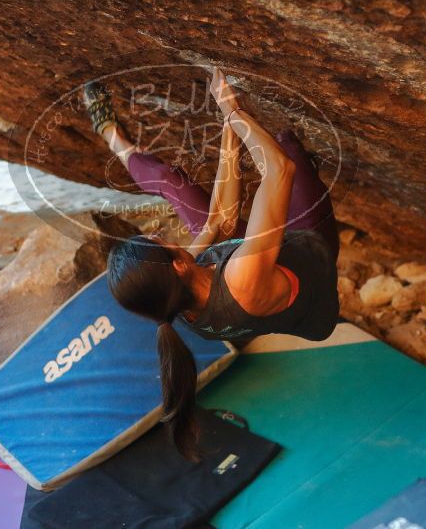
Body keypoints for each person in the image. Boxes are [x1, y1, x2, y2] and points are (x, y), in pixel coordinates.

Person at [84, 68, 339, 459]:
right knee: (285, 145)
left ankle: (113, 139)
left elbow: (220, 219)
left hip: (257, 260)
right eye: (163, 242)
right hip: (309, 248)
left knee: (174, 186)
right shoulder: (239, 278)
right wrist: (235, 112)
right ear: (178, 265)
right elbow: (278, 172)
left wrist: (228, 129)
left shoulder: (180, 304)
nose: (172, 239)